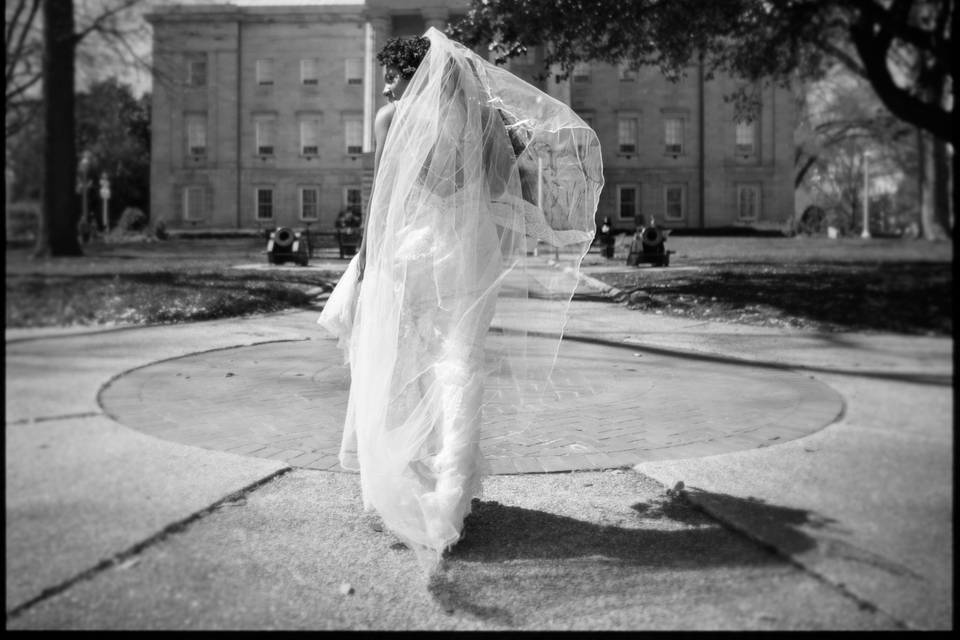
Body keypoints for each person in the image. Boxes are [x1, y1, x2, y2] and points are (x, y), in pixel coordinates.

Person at [317, 28, 603, 574]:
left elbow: (381, 204)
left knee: (401, 363)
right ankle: (449, 502)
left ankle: (413, 479)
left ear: (417, 74)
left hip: (413, 251)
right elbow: (502, 190)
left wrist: (365, 267)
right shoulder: (486, 122)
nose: (384, 90)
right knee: (460, 370)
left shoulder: (393, 121)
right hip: (468, 252)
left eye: (393, 77)